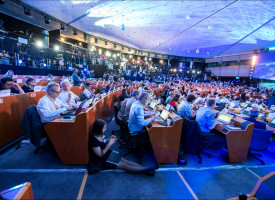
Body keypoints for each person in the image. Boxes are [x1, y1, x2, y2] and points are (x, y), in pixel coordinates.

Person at [88, 120, 154, 174]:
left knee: (125, 160)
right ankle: (146, 168)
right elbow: (100, 155)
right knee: (124, 165)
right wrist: (109, 144)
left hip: (106, 153)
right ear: (99, 129)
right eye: (104, 128)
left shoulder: (100, 134)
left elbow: (102, 143)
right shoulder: (93, 141)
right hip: (102, 160)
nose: (106, 129)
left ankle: (142, 168)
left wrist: (108, 140)